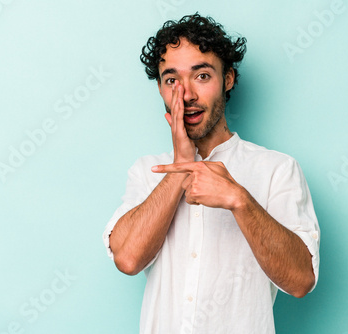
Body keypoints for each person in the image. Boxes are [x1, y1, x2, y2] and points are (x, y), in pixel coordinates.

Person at [103, 13, 320, 334]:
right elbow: (128, 260)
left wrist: (240, 200)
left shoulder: (277, 169)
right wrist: (180, 168)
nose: (186, 94)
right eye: (171, 80)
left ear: (228, 79)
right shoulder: (146, 171)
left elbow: (301, 281)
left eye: (202, 76)